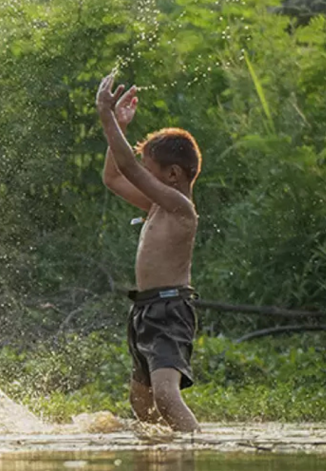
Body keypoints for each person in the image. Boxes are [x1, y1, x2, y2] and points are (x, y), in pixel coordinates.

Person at [96, 72, 201, 433]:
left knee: (166, 397)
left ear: (172, 175)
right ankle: (162, 455)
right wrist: (120, 129)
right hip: (146, 308)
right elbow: (113, 176)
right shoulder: (158, 205)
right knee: (142, 403)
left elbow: (127, 169)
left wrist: (107, 115)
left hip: (170, 310)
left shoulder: (179, 207)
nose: (142, 174)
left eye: (149, 170)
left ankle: (197, 450)